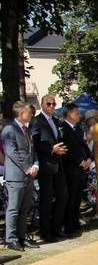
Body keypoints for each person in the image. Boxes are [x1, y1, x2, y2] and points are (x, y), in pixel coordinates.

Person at [29, 95, 70, 242]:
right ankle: (46, 232)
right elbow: (35, 143)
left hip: (58, 164)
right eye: (49, 104)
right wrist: (51, 149)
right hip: (46, 164)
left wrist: (60, 149)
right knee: (46, 200)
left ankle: (56, 228)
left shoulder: (56, 120)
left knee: (63, 194)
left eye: (54, 104)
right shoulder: (36, 121)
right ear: (42, 105)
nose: (52, 106)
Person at [3, 101, 40, 251]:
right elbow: (12, 152)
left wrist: (36, 165)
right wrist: (27, 168)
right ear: (20, 114)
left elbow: (32, 151)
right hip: (16, 176)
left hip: (29, 175)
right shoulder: (9, 130)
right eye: (28, 111)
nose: (31, 114)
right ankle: (10, 239)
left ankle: (21, 237)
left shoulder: (28, 130)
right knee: (13, 208)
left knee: (25, 208)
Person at [59, 103, 92, 235]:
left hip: (81, 168)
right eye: (77, 113)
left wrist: (89, 158)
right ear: (69, 114)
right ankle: (68, 224)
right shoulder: (63, 129)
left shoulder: (77, 129)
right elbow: (68, 149)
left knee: (78, 196)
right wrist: (80, 161)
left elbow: (84, 146)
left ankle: (75, 220)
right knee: (71, 197)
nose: (79, 115)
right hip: (71, 168)